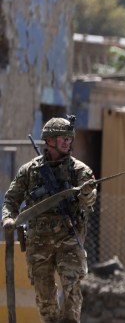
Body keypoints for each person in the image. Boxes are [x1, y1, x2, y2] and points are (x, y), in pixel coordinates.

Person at [2, 117, 97, 323]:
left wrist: (87, 192)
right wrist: (8, 219)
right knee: (46, 302)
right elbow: (11, 199)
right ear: (50, 140)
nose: (67, 142)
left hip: (69, 242)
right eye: (63, 138)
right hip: (38, 244)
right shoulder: (29, 171)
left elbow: (89, 201)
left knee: (72, 291)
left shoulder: (79, 170)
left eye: (69, 138)